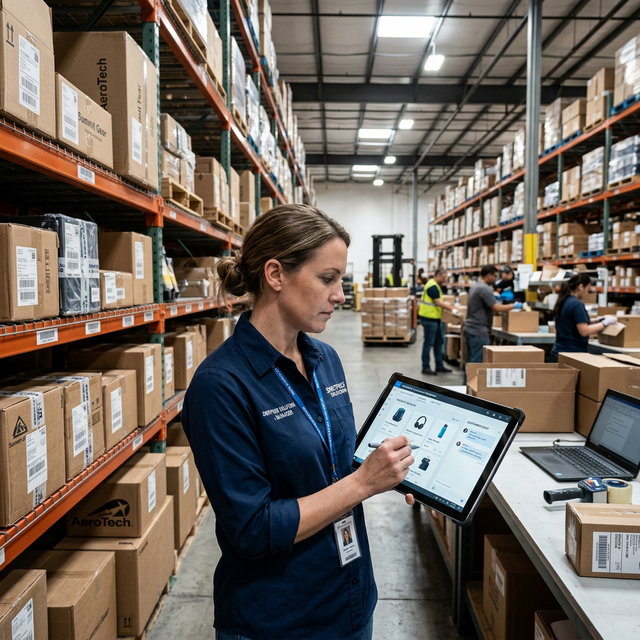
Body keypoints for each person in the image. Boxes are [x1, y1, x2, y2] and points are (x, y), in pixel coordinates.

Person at [182, 204, 416, 640]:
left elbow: (333, 459)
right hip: (279, 618)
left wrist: (393, 472)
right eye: (327, 279)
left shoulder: (324, 358)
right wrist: (362, 483)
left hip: (350, 599)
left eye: (341, 280)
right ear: (276, 275)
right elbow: (253, 528)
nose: (341, 295)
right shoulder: (221, 386)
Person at [549, 272, 618, 362]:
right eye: (587, 288)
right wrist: (605, 323)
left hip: (559, 352)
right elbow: (584, 331)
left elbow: (573, 322)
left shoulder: (563, 301)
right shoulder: (577, 304)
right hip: (572, 354)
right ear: (581, 287)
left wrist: (598, 320)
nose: (587, 292)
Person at [464, 265, 519, 364]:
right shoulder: (485, 289)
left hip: (470, 329)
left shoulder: (475, 286)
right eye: (494, 276)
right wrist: (514, 306)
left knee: (471, 363)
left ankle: (468, 380)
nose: (495, 278)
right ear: (488, 275)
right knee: (477, 364)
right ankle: (472, 380)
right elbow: (497, 308)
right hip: (478, 331)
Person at [419, 267, 455, 375]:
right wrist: (452, 309)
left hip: (435, 318)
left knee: (438, 342)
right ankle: (425, 367)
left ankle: (439, 365)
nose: (445, 279)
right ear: (438, 275)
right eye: (444, 277)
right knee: (429, 343)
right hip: (429, 318)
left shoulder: (435, 285)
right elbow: (438, 302)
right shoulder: (432, 286)